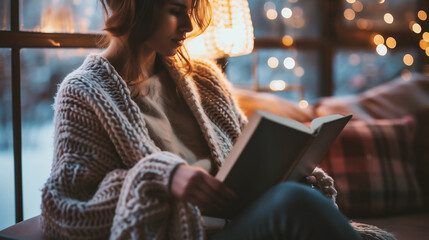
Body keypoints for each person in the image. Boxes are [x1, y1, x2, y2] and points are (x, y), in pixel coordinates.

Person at [40, 0, 364, 239]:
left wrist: (286, 170)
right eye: (175, 10)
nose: (189, 26)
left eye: (190, 12)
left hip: (240, 222)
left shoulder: (203, 78)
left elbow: (244, 157)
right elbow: (66, 211)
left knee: (296, 195)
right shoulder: (84, 93)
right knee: (295, 204)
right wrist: (163, 177)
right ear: (134, 8)